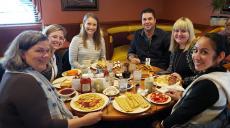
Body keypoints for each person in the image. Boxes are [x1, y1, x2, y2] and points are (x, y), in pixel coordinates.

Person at [0, 30, 102, 128]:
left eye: (47, 50)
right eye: (39, 50)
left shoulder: (18, 73)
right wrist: (83, 121)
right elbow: (44, 126)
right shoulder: (23, 81)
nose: (46, 55)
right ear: (22, 54)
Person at [156, 33, 230, 128]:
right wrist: (182, 96)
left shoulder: (208, 85)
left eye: (204, 52)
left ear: (220, 56)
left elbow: (181, 115)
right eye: (195, 50)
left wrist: (161, 124)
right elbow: (201, 103)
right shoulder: (224, 74)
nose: (196, 56)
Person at [166, 17, 196, 87]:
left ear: (190, 33)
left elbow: (200, 77)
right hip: (174, 87)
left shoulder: (194, 51)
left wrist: (182, 80)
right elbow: (171, 69)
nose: (179, 34)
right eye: (176, 31)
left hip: (187, 89)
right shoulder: (175, 48)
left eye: (183, 31)